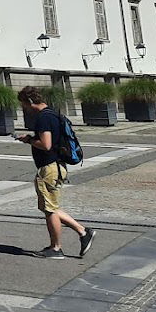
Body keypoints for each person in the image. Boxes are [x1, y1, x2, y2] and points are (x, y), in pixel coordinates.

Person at [18, 86, 95, 260]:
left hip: (49, 167)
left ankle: (56, 248)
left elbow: (46, 145)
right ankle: (83, 232)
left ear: (30, 102)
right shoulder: (53, 114)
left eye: (24, 104)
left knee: (50, 209)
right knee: (49, 207)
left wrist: (29, 140)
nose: (24, 109)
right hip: (56, 166)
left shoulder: (43, 118)